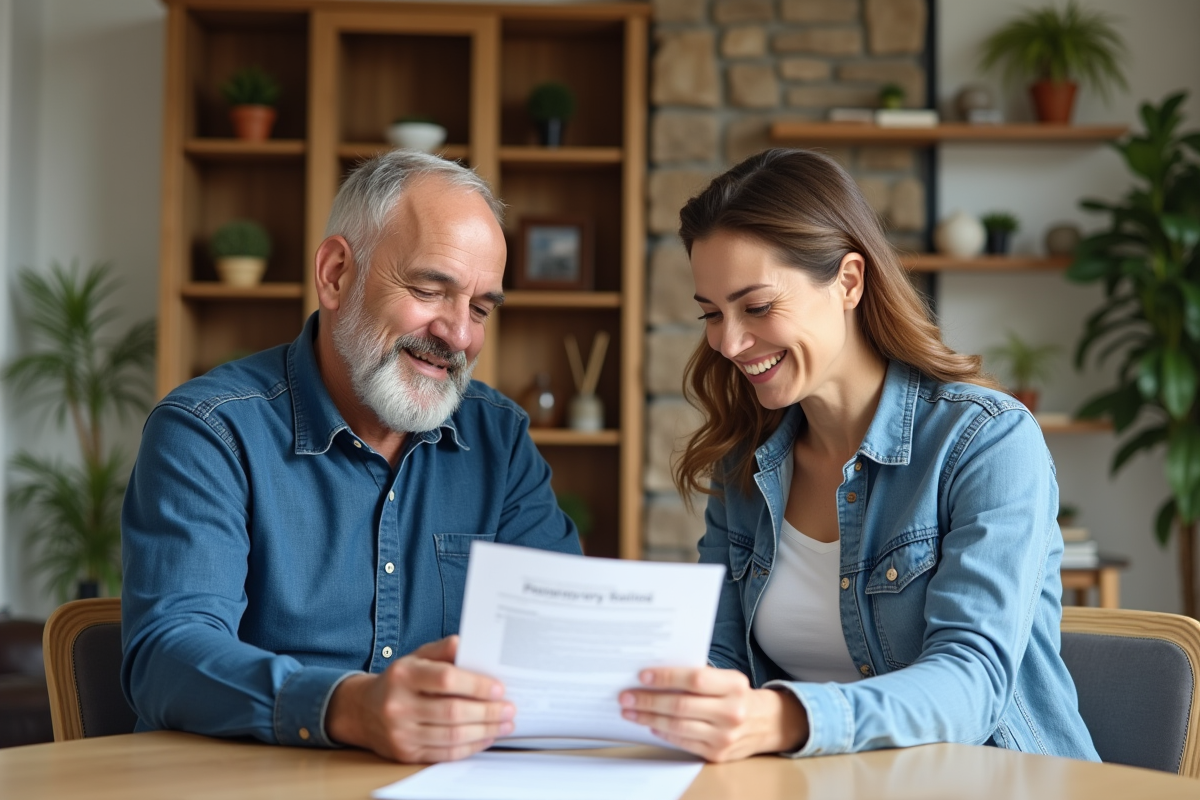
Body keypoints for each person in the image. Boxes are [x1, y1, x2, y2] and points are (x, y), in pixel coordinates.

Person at [618, 148, 1099, 763]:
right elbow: (724, 658)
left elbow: (972, 684)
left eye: (757, 306)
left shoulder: (988, 442)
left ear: (848, 280)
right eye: (712, 314)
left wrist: (788, 716)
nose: (730, 342)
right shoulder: (744, 463)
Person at [121, 150, 581, 764]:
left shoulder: (499, 438)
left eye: (480, 308)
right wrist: (349, 706)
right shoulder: (209, 432)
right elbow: (167, 656)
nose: (460, 335)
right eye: (428, 289)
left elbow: (564, 642)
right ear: (337, 273)